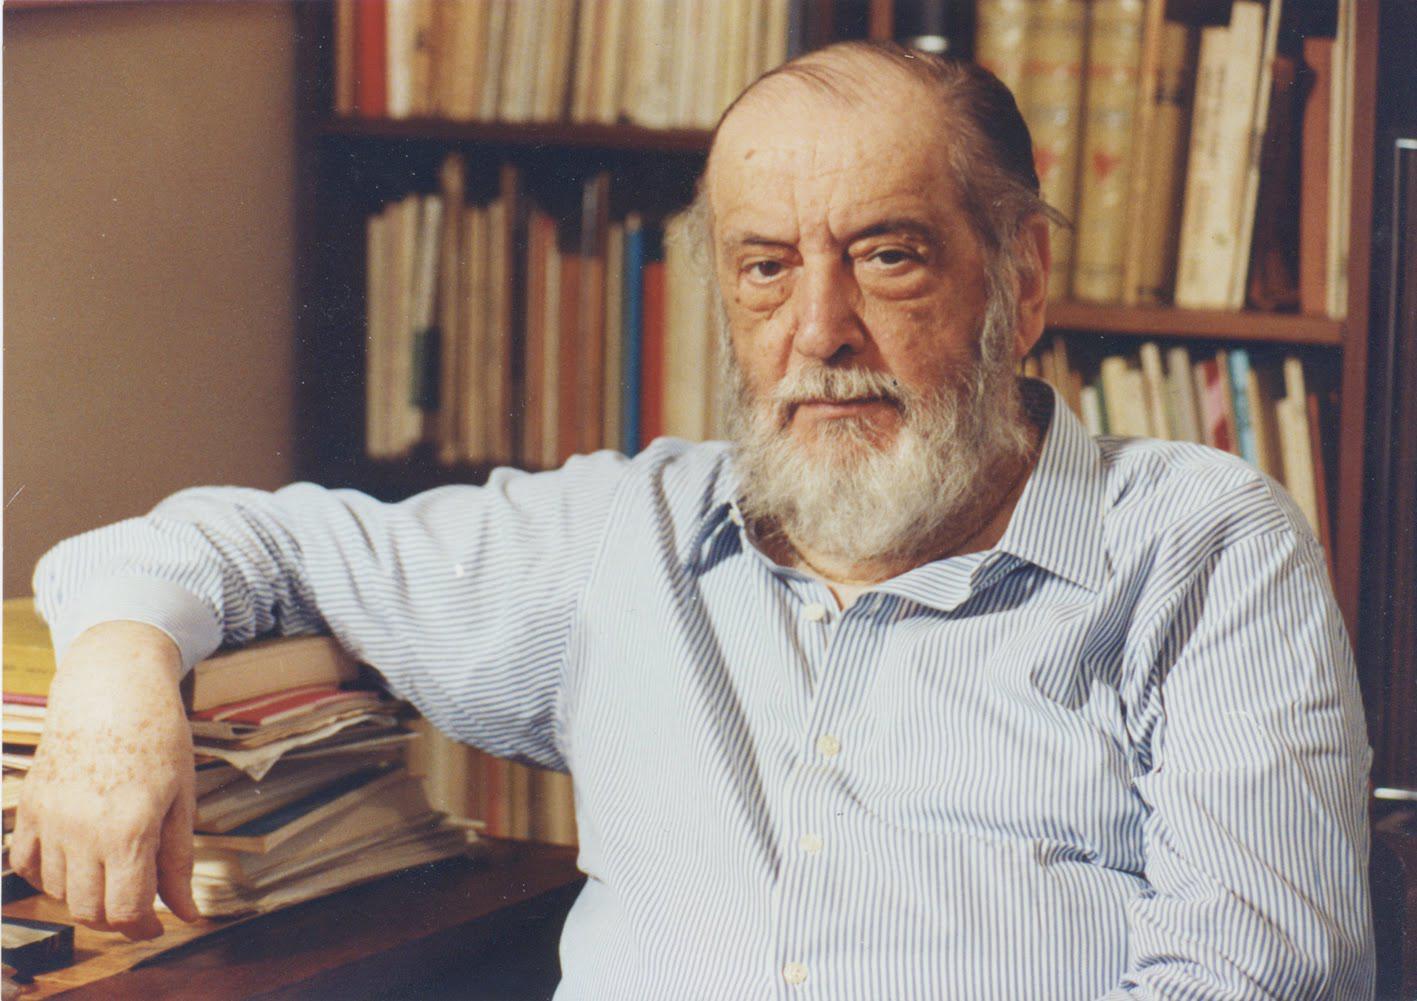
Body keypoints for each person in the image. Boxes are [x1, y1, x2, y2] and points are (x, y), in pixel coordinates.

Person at [13, 41, 1373, 999]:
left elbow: (1256, 981)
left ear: (1018, 281)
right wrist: (118, 686)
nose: (819, 330)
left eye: (887, 256)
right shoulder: (625, 533)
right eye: (765, 268)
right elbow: (222, 544)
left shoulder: (1199, 546)